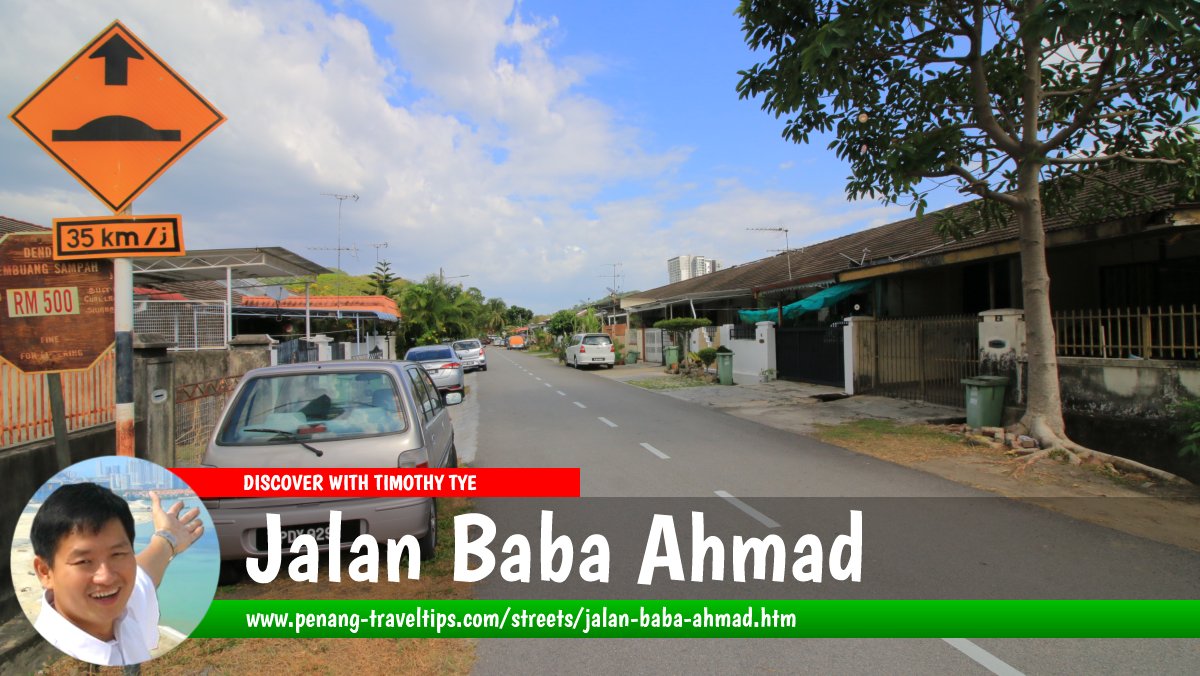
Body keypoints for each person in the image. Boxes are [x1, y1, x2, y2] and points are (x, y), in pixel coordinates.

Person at [30, 482, 204, 666]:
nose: (106, 577)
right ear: (45, 572)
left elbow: (145, 574)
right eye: (84, 561)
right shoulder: (51, 658)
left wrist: (168, 537)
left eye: (117, 554)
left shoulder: (125, 607)